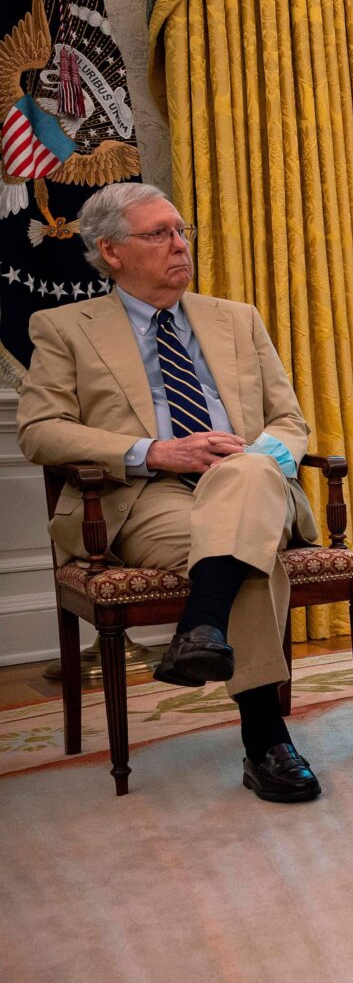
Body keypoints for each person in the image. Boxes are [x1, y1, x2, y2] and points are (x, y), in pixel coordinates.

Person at [17, 183, 325, 800]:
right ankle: (266, 740)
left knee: (245, 483)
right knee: (246, 557)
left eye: (182, 231)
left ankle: (203, 626)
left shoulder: (236, 319)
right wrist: (154, 451)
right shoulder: (63, 327)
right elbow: (39, 432)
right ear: (111, 251)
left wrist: (246, 459)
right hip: (145, 497)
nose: (179, 245)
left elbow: (290, 422)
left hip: (253, 483)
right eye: (158, 234)